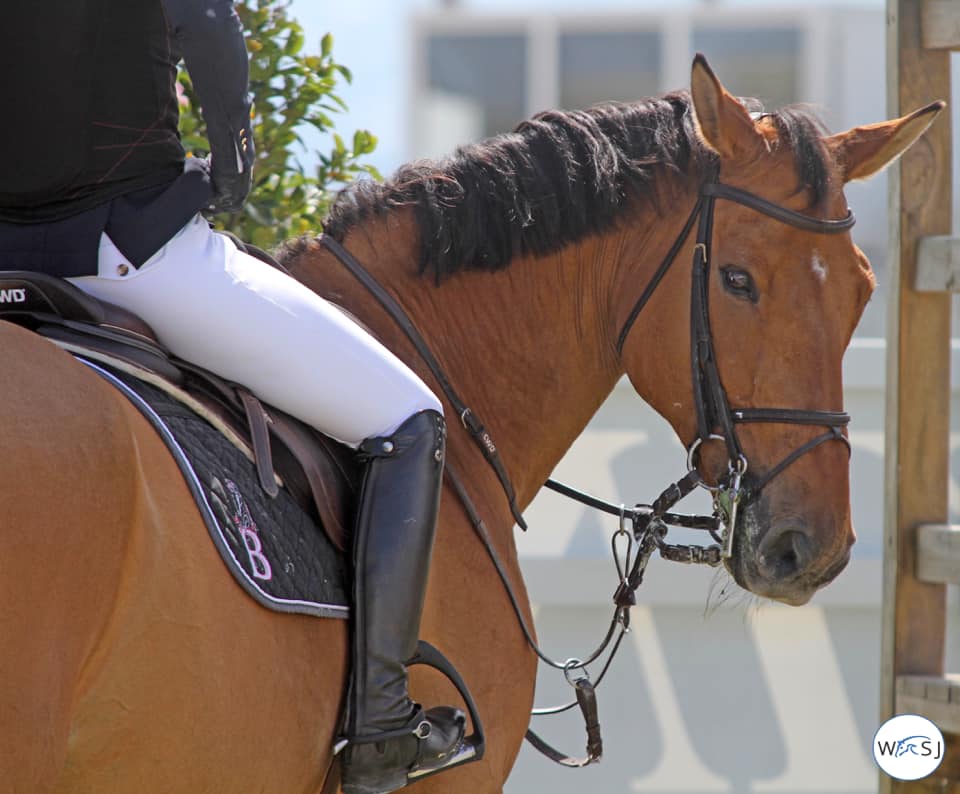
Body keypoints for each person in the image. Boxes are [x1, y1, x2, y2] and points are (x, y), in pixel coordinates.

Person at [0, 2, 466, 792]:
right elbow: (208, 22)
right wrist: (232, 161)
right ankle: (383, 722)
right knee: (409, 419)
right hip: (131, 255)